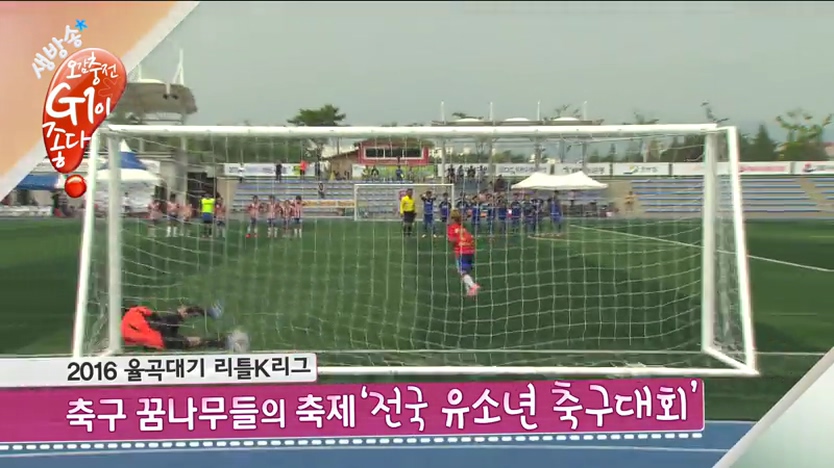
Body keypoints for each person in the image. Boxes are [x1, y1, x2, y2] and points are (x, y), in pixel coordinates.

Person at [121, 303, 226, 351]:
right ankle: (210, 312)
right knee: (183, 312)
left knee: (191, 342)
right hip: (161, 327)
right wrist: (172, 318)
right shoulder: (134, 310)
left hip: (160, 342)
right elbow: (154, 315)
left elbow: (140, 345)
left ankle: (223, 343)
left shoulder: (123, 333)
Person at [447, 210, 480, 297]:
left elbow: (452, 240)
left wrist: (450, 240)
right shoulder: (463, 228)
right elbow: (471, 239)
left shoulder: (452, 227)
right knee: (466, 272)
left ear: (452, 218)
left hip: (461, 252)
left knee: (462, 272)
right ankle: (469, 291)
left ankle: (473, 285)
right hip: (470, 251)